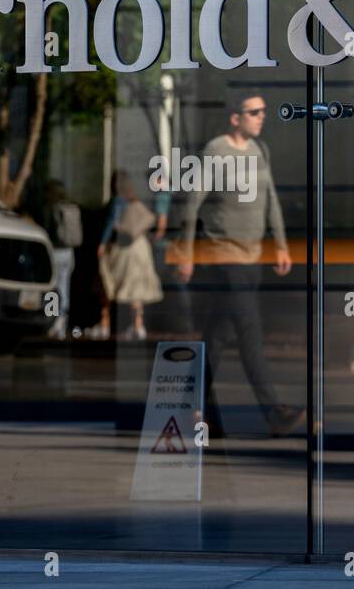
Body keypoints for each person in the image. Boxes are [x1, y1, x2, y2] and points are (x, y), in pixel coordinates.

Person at [178, 91, 304, 437]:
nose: (262, 116)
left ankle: (194, 406)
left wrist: (281, 245)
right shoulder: (216, 151)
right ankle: (274, 411)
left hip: (252, 257)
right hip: (224, 254)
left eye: (263, 111)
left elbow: (271, 199)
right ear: (235, 118)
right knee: (250, 330)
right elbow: (192, 203)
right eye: (254, 112)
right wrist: (186, 253)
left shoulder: (260, 150)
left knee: (218, 336)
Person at [92, 170, 162, 340]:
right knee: (135, 289)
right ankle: (138, 325)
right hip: (140, 248)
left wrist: (102, 243)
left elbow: (111, 223)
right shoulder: (136, 201)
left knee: (108, 284)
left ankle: (105, 323)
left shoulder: (118, 201)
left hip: (122, 249)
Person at [42, 179, 83, 339]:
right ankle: (62, 324)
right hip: (69, 252)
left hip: (55, 251)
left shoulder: (52, 208)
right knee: (64, 287)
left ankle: (52, 323)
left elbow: (48, 230)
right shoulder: (72, 207)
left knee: (52, 288)